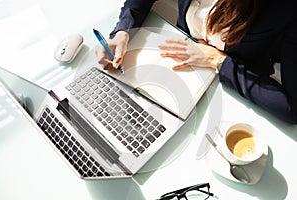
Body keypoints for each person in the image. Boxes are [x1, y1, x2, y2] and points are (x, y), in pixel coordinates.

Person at [95, 0, 297, 124]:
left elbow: (291, 109)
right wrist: (123, 30)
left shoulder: (287, 8)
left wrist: (218, 60)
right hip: (167, 61)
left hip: (230, 89)